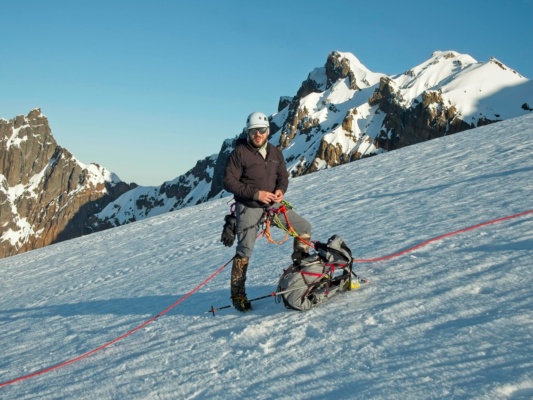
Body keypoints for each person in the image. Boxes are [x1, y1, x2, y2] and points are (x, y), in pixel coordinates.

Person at [223, 112, 312, 312]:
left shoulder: (274, 152)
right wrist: (256, 194)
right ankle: (238, 295)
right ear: (248, 132)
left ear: (268, 131)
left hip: (272, 204)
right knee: (245, 249)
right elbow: (229, 181)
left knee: (303, 228)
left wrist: (280, 190)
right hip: (249, 206)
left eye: (261, 130)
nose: (258, 134)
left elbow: (283, 177)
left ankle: (298, 274)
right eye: (254, 131)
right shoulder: (240, 153)